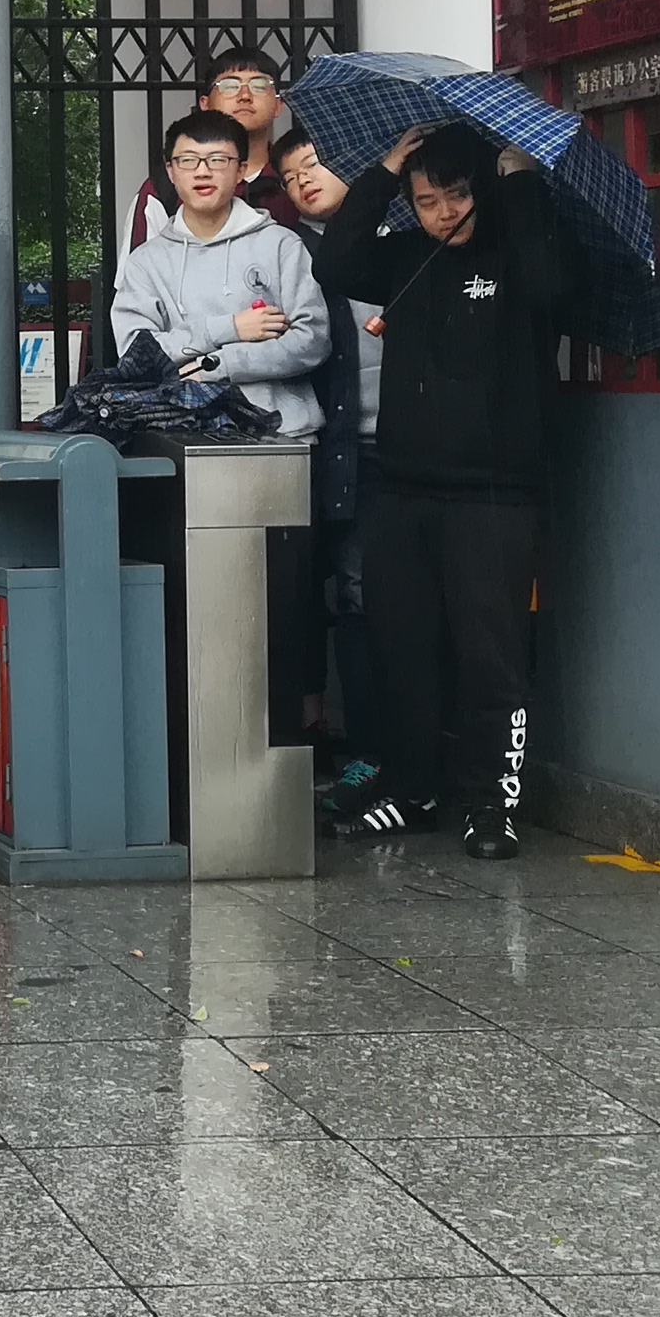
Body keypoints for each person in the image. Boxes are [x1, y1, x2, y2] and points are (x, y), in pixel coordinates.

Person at [314, 123, 578, 860]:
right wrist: (383, 171)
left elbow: (554, 287)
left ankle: (491, 804)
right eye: (425, 200)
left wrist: (519, 184)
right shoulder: (406, 258)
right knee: (402, 648)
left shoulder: (522, 252)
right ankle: (412, 789)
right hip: (404, 489)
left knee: (491, 656)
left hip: (495, 496)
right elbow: (336, 263)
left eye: (456, 195)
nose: (441, 214)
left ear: (482, 190)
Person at [275, 128, 389, 814]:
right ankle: (334, 746)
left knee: (373, 598)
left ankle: (388, 751)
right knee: (322, 597)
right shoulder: (290, 253)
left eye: (314, 165)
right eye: (291, 176)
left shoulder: (405, 240)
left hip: (397, 447)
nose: (304, 181)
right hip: (324, 448)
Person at [110, 109, 329, 437]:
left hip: (282, 433)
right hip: (182, 434)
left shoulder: (281, 244)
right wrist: (230, 328)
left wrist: (217, 366)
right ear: (170, 171)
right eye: (188, 160)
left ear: (241, 170)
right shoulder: (145, 262)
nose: (202, 172)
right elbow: (135, 354)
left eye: (218, 160)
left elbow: (312, 340)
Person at [128, 46, 295, 244]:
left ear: (278, 105)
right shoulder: (166, 187)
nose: (244, 95)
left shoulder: (295, 177)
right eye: (229, 86)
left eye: (259, 85)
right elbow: (141, 260)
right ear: (205, 104)